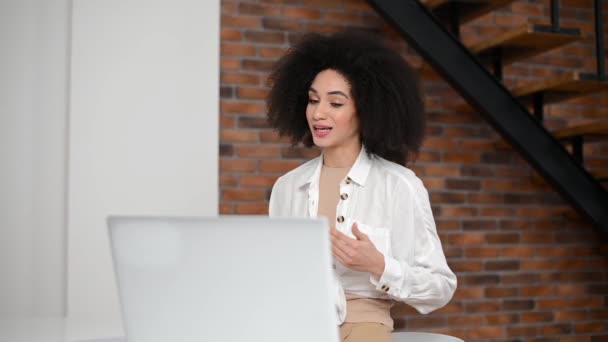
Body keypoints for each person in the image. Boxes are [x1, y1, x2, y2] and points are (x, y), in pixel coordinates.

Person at [266, 29, 456, 342]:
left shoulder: (399, 185)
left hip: (364, 326)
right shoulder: (287, 188)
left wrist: (379, 265)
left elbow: (440, 287)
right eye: (313, 100)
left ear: (365, 109)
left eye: (335, 103)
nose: (318, 113)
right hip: (297, 325)